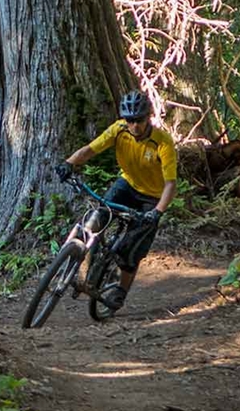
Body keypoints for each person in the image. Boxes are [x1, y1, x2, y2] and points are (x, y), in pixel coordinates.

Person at [54, 89, 176, 313]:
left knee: (131, 250)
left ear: (148, 117)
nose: (134, 126)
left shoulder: (162, 143)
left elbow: (170, 184)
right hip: (127, 185)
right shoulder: (119, 131)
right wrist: (69, 163)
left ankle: (121, 290)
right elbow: (91, 149)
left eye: (139, 120)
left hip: (152, 198)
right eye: (130, 121)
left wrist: (157, 211)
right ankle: (84, 265)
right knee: (97, 217)